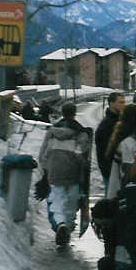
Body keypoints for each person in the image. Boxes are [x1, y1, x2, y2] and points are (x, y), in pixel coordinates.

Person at [38, 102, 92, 248]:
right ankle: (67, 226)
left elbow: (43, 154)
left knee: (57, 201)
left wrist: (46, 169)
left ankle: (60, 224)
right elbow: (83, 156)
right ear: (74, 113)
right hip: (73, 174)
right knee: (71, 203)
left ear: (62, 112)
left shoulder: (52, 131)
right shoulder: (80, 133)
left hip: (54, 173)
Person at [105, 103, 136, 199]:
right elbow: (127, 173)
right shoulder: (127, 144)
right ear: (135, 119)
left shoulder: (134, 140)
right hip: (126, 194)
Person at [96, 92, 125, 193]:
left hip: (118, 170)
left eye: (124, 102)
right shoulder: (106, 125)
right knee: (111, 199)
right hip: (110, 170)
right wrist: (108, 170)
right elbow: (105, 151)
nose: (123, 105)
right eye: (120, 102)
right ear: (111, 104)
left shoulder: (120, 121)